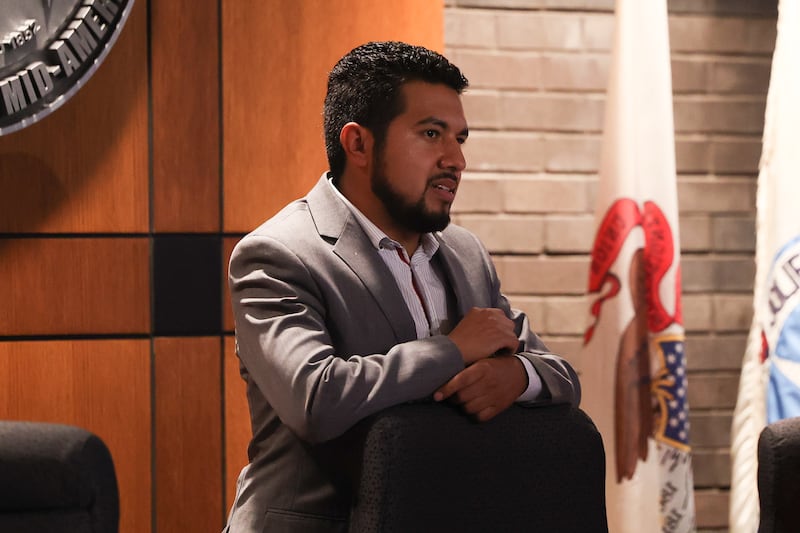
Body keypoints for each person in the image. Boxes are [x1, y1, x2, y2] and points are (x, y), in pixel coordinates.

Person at [224, 41, 581, 532]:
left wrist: (516, 378)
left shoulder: (466, 254)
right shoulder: (278, 254)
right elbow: (317, 400)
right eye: (431, 134)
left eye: (460, 138)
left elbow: (560, 374)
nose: (455, 159)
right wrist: (453, 351)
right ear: (359, 144)